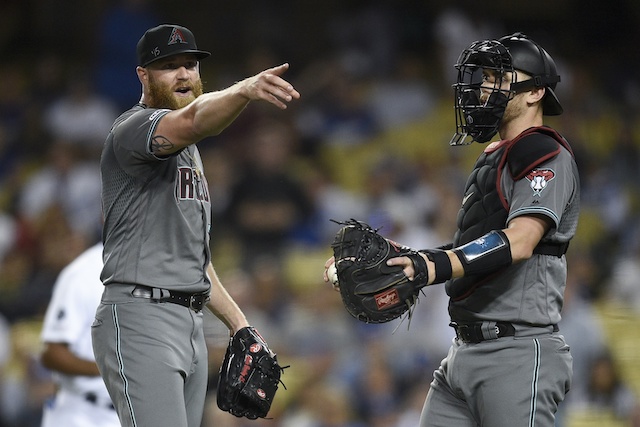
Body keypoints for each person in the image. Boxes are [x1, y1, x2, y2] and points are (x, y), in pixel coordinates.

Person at [325, 32, 579, 426]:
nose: (483, 88)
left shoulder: (546, 152)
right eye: (484, 78)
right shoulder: (494, 156)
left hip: (517, 351)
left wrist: (432, 266)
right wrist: (407, 261)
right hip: (462, 352)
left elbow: (522, 240)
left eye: (498, 77)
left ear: (535, 92)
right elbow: (469, 248)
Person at [91, 24, 300, 427]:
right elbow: (192, 122)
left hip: (190, 323)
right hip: (140, 316)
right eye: (168, 66)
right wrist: (243, 90)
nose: (183, 74)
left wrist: (240, 325)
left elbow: (197, 263)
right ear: (143, 76)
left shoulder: (192, 156)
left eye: (189, 64)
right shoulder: (132, 129)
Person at [39, 243, 120, 427]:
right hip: (83, 414)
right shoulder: (84, 273)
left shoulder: (162, 267)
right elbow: (52, 353)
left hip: (135, 414)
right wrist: (107, 368)